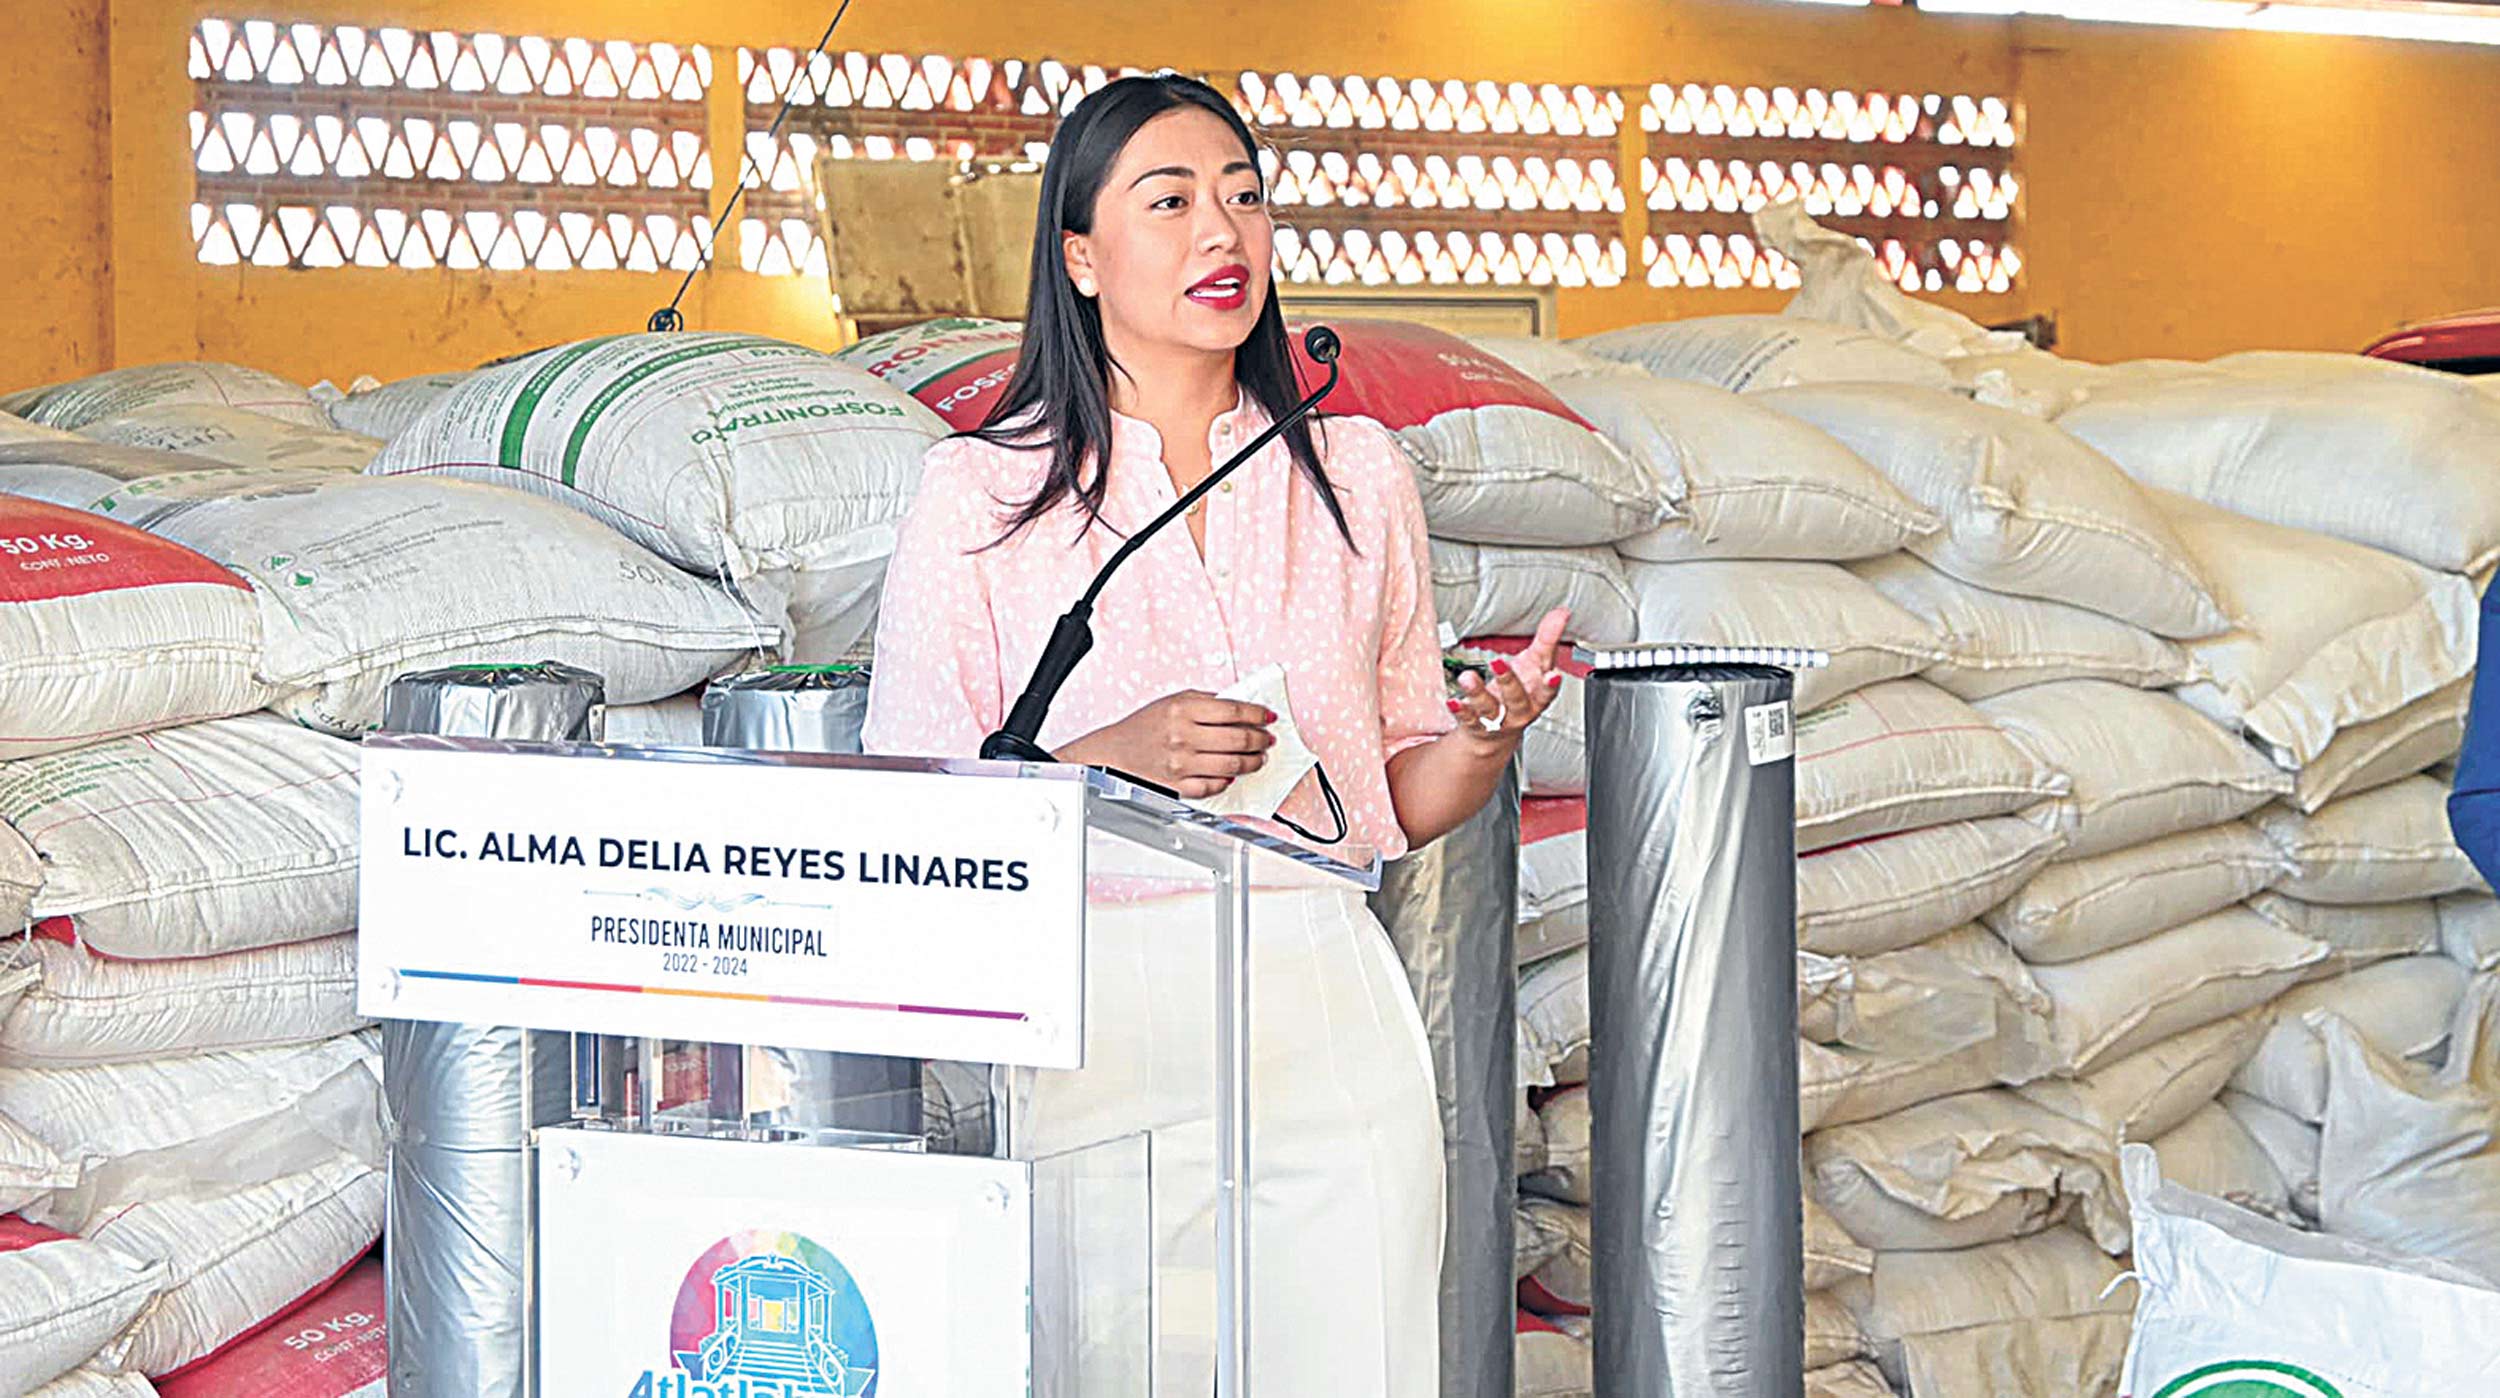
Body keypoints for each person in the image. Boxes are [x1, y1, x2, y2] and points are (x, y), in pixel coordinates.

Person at [862, 73, 1567, 1397]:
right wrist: (1105, 757)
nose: (1222, 233)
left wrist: (1483, 739)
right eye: (1172, 201)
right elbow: (915, 809)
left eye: (1245, 198)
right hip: (1100, 1010)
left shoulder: (1354, 476)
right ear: (1080, 255)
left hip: (1321, 993)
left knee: (1358, 1365)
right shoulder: (981, 494)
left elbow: (1401, 787)